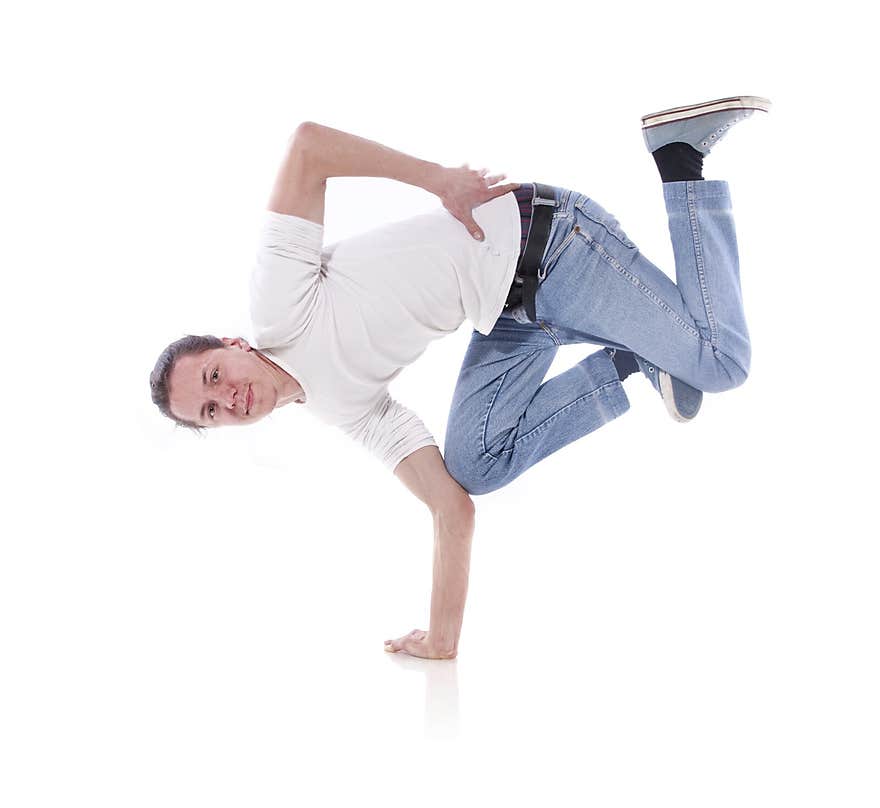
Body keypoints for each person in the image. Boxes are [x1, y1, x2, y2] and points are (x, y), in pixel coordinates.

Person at [150, 95, 770, 660]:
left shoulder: (277, 304)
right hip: (510, 313)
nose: (226, 398)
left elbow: (309, 146)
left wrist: (439, 181)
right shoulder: (341, 407)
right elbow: (451, 507)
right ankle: (634, 356)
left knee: (721, 363)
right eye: (209, 411)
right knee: (473, 464)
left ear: (231, 345)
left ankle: (679, 158)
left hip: (552, 243)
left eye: (212, 376)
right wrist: (443, 638)